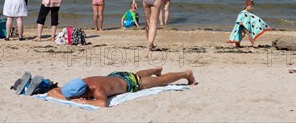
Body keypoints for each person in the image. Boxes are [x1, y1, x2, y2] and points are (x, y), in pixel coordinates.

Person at [47, 67, 196, 107]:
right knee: (136, 74)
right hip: (116, 75)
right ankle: (154, 70)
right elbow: (53, 92)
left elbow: (103, 103)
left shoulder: (97, 90)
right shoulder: (80, 82)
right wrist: (69, 97)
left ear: (85, 93)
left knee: (161, 81)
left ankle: (186, 74)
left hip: (131, 84)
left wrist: (86, 102)